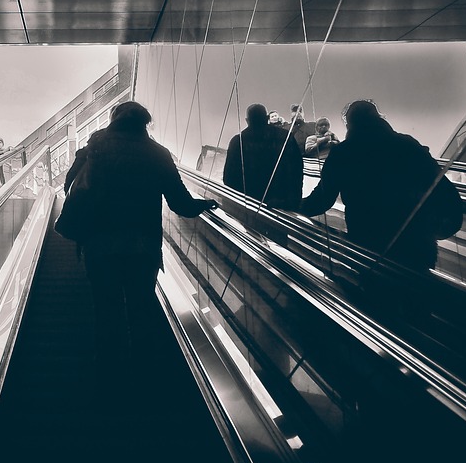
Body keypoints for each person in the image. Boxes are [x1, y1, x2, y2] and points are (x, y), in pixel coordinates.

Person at [62, 101, 216, 372]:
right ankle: (143, 372)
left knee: (106, 310)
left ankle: (108, 372)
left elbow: (70, 186)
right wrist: (204, 204)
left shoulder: (95, 146)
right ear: (145, 122)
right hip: (142, 247)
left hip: (100, 245)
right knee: (140, 307)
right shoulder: (158, 153)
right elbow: (180, 203)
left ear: (114, 120)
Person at [301, 100, 451, 272]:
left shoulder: (344, 152)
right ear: (379, 117)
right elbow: (439, 186)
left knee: (376, 291)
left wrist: (293, 205)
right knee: (418, 291)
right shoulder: (407, 145)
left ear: (349, 124)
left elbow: (322, 199)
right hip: (417, 241)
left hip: (368, 241)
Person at [222, 103, 303, 211]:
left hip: (249, 203)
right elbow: (296, 170)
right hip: (280, 202)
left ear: (247, 120)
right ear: (266, 118)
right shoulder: (285, 137)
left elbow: (229, 177)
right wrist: (292, 201)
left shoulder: (238, 141)